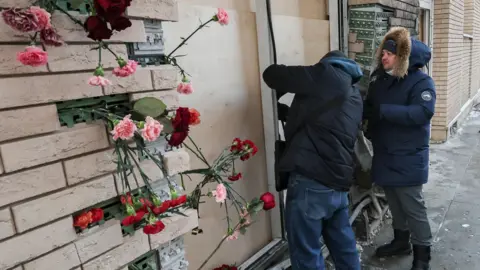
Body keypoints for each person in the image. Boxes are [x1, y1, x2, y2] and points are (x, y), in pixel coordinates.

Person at [262, 50, 363, 270]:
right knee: (344, 248)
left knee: (306, 254)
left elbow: (272, 74)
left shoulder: (326, 74)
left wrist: (299, 82)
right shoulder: (354, 94)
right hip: (338, 186)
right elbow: (327, 128)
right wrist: (290, 114)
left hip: (311, 183)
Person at [363, 27, 435, 270]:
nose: (384, 56)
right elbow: (370, 105)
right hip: (385, 153)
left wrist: (384, 112)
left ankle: (422, 256)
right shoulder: (382, 80)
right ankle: (401, 242)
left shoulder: (421, 82)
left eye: (390, 53)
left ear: (403, 57)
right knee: (394, 202)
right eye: (383, 52)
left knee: (413, 207)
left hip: (408, 156)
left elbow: (423, 112)